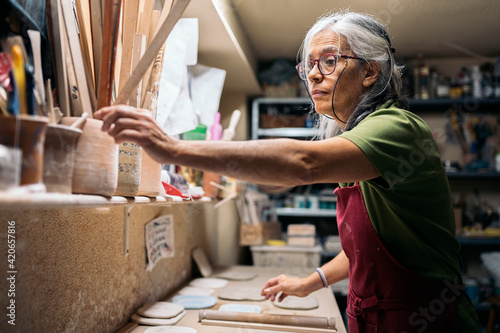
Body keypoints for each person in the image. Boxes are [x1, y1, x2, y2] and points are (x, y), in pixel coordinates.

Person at [95, 10, 480, 333]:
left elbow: (301, 164)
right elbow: (369, 252)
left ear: (370, 72)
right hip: (377, 319)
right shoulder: (357, 144)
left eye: (329, 61)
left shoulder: (396, 128)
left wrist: (172, 149)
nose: (313, 75)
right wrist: (309, 283)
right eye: (309, 65)